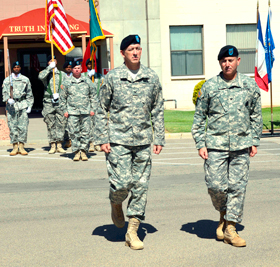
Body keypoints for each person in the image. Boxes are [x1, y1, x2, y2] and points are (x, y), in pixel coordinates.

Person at [94, 34, 165, 250]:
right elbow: (100, 108)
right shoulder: (113, 77)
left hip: (143, 140)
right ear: (123, 53)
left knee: (141, 186)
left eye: (138, 48)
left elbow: (157, 108)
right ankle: (116, 203)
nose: (135, 52)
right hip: (118, 141)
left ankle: (132, 231)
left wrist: (159, 136)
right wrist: (102, 138)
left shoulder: (151, 77)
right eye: (131, 49)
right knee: (121, 184)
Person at [191, 45, 263, 247]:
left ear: (238, 61)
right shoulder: (210, 86)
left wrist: (254, 141)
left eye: (231, 60)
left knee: (238, 187)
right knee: (216, 186)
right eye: (223, 61)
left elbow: (256, 115)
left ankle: (230, 227)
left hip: (241, 145)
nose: (227, 63)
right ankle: (223, 214)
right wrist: (200, 143)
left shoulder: (249, 86)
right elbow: (199, 117)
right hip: (215, 145)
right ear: (220, 63)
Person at [60, 60, 97, 161]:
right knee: (74, 132)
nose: (77, 70)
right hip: (72, 112)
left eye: (78, 68)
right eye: (75, 68)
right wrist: (64, 110)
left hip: (86, 111)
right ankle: (76, 152)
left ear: (81, 69)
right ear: (72, 70)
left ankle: (84, 151)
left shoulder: (87, 81)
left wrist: (93, 109)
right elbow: (62, 98)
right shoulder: (66, 83)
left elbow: (93, 96)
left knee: (86, 132)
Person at [2, 61, 34, 156]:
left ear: (20, 68)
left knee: (23, 127)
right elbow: (4, 92)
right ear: (12, 68)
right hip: (12, 106)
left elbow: (29, 94)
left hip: (22, 104)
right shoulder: (7, 80)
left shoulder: (25, 79)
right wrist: (7, 99)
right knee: (12, 127)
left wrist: (30, 105)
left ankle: (22, 146)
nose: (16, 68)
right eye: (15, 67)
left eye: (18, 67)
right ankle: (15, 146)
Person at [39, 55, 67, 154]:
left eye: (54, 60)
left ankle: (59, 144)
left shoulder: (62, 74)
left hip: (60, 102)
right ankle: (52, 144)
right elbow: (40, 77)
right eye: (50, 60)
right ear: (48, 63)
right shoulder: (45, 73)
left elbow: (67, 86)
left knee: (61, 123)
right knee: (50, 123)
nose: (52, 61)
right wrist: (49, 68)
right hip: (48, 102)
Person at [84, 58, 104, 153]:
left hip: (98, 103)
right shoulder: (84, 76)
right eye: (89, 64)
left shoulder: (99, 76)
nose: (90, 65)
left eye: (92, 64)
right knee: (89, 124)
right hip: (88, 104)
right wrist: (88, 76)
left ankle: (97, 143)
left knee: (98, 124)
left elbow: (104, 87)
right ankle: (91, 143)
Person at [62, 60, 73, 148]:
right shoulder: (62, 77)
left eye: (70, 67)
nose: (69, 69)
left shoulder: (75, 77)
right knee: (65, 123)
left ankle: (74, 140)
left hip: (74, 103)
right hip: (65, 102)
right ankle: (67, 140)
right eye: (67, 68)